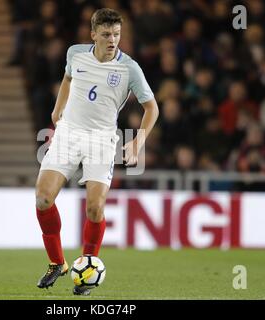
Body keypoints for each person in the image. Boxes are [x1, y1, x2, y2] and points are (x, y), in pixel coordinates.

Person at [35, 8, 159, 295]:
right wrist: (57, 108)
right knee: (43, 199)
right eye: (106, 35)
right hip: (68, 133)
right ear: (93, 35)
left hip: (102, 139)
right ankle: (57, 263)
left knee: (95, 207)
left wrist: (138, 141)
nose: (112, 40)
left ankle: (88, 265)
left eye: (116, 34)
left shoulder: (130, 69)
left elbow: (152, 107)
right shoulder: (75, 54)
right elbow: (67, 79)